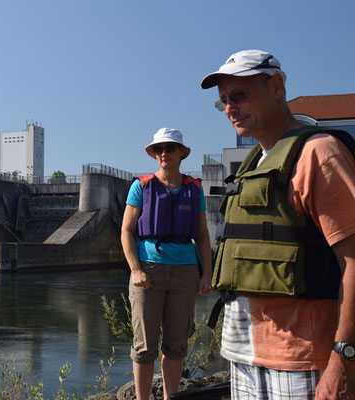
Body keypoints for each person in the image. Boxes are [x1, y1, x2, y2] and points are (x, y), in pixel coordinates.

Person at [201, 49, 355, 399]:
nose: (229, 108)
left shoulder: (319, 153)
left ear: (277, 87)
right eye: (222, 101)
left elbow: (354, 262)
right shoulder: (253, 163)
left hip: (302, 361)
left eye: (239, 95)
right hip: (243, 356)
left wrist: (344, 358)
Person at [121, 127, 212, 400]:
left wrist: (206, 274)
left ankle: (171, 397)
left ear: (181, 153)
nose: (164, 153)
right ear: (153, 154)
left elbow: (203, 235)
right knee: (144, 347)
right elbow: (126, 230)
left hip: (184, 273)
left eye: (170, 148)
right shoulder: (142, 186)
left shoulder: (194, 189)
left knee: (176, 344)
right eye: (158, 149)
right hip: (148, 271)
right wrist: (136, 269)